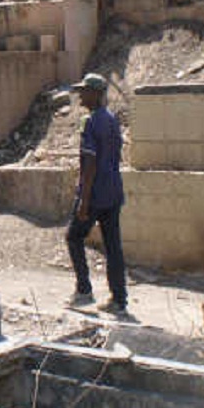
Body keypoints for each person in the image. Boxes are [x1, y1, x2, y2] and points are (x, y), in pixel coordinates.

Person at [66, 72, 128, 315]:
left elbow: (90, 163)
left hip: (95, 193)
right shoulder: (112, 119)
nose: (80, 96)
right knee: (113, 246)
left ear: (96, 94)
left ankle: (84, 290)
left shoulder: (90, 122)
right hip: (113, 190)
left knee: (73, 237)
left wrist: (84, 200)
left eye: (84, 91)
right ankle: (119, 300)